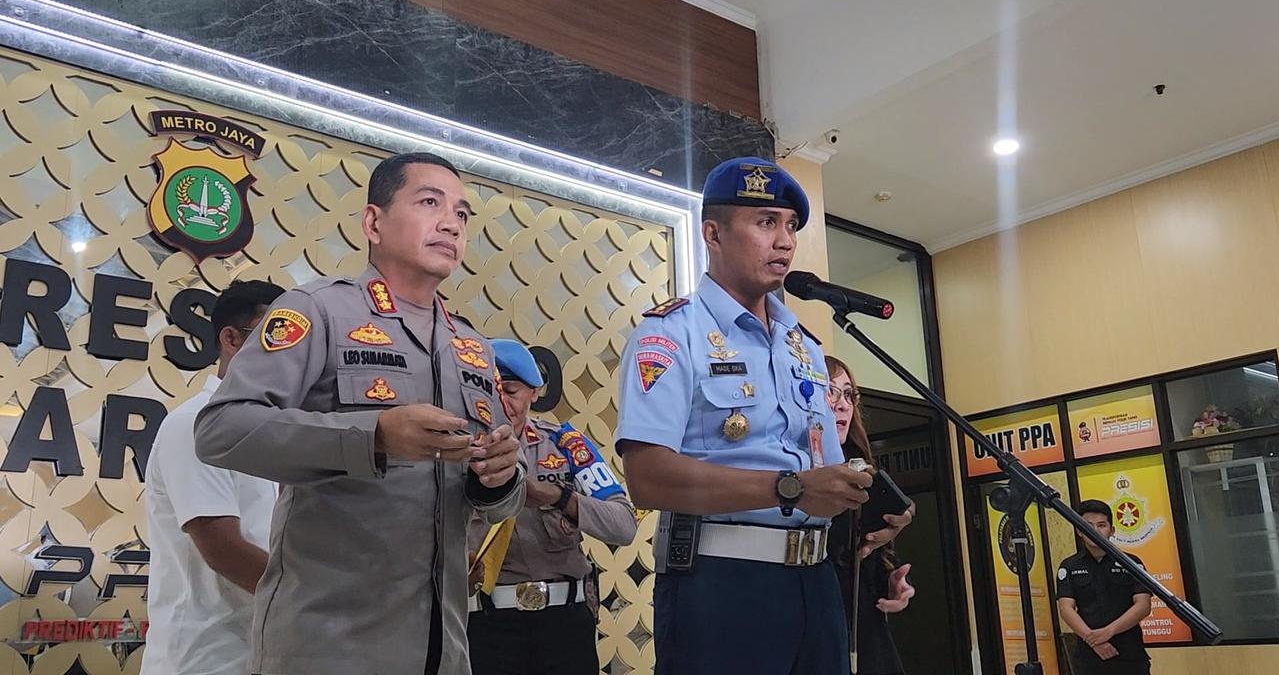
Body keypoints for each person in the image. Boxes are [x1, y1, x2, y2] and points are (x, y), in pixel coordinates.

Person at [195, 152, 526, 675]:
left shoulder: (473, 347)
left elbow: (498, 504)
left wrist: (499, 476)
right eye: (429, 202)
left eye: (462, 214)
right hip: (329, 646)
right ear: (373, 221)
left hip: (445, 647)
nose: (451, 223)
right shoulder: (317, 310)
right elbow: (221, 430)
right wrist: (373, 435)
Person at [615, 156, 873, 675]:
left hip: (818, 578)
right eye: (765, 223)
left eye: (791, 225)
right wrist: (790, 489)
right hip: (722, 583)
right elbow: (646, 479)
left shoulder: (805, 346)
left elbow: (824, 463)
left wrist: (865, 505)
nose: (785, 241)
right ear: (712, 232)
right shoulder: (669, 334)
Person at [466, 339, 638, 675]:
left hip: (563, 623)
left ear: (534, 392)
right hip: (485, 622)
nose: (500, 402)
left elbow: (623, 525)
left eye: (511, 391)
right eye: (489, 389)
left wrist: (557, 497)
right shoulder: (458, 451)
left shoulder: (565, 445)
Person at [142, 280, 284, 675]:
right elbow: (224, 549)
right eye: (278, 335)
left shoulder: (277, 432)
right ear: (231, 339)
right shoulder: (194, 424)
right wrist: (319, 608)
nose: (292, 354)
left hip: (266, 651)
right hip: (205, 658)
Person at [823, 355, 915, 675]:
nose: (842, 405)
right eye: (829, 391)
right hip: (812, 620)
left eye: (848, 394)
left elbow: (865, 549)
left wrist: (886, 582)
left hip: (863, 628)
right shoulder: (788, 475)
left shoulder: (860, 470)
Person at [1056, 499, 1153, 675]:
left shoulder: (1132, 563)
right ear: (1079, 530)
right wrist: (1094, 640)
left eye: (1101, 525)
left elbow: (1143, 606)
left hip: (1129, 654)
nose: (1095, 530)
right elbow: (1066, 608)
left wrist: (1109, 631)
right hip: (1089, 655)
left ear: (1112, 530)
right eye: (1088, 525)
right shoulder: (1069, 566)